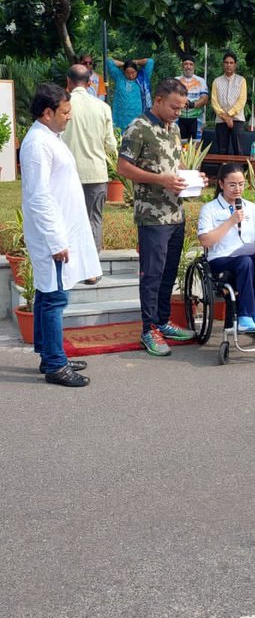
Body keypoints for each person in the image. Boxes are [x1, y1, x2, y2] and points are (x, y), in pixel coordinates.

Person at [19, 83, 101, 387]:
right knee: (54, 298)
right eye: (65, 112)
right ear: (47, 112)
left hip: (59, 233)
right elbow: (38, 197)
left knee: (46, 296)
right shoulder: (37, 144)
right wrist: (56, 240)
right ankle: (55, 364)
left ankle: (49, 354)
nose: (69, 117)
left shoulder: (48, 137)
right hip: (52, 237)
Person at [117, 78, 201, 356]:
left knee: (168, 273)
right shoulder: (139, 128)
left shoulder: (173, 129)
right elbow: (123, 167)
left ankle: (163, 321)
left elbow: (174, 165)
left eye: (182, 107)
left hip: (175, 212)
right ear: (158, 101)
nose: (179, 112)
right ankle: (148, 329)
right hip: (152, 217)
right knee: (151, 275)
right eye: (175, 107)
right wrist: (160, 180)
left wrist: (190, 176)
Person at [198, 162, 255, 333]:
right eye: (232, 184)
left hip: (247, 256)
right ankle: (245, 315)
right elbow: (206, 241)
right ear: (221, 184)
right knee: (245, 262)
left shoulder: (251, 208)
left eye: (241, 184)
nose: (237, 189)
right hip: (220, 258)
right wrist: (231, 221)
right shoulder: (209, 209)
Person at [63, 63, 117, 271]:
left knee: (69, 218)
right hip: (96, 172)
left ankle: (72, 267)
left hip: (68, 173)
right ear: (90, 82)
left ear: (68, 82)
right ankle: (93, 270)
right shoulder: (103, 108)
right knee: (94, 219)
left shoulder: (64, 106)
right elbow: (111, 145)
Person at [211, 50, 247, 155]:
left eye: (231, 63)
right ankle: (222, 171)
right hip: (221, 121)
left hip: (237, 120)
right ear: (223, 64)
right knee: (222, 151)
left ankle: (239, 171)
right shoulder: (216, 81)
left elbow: (241, 101)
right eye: (226, 63)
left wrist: (229, 115)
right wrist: (225, 117)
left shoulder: (241, 80)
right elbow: (214, 101)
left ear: (235, 65)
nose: (229, 65)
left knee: (239, 150)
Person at [107, 56, 155, 131]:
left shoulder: (142, 79)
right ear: (124, 72)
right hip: (120, 120)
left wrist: (134, 62)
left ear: (137, 71)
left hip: (137, 119)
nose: (130, 75)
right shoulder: (119, 77)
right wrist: (125, 64)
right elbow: (109, 62)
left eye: (133, 72)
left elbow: (150, 62)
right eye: (127, 73)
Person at [177, 55, 209, 141]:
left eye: (191, 64)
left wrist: (193, 104)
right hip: (179, 118)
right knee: (180, 146)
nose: (188, 66)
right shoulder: (176, 80)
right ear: (182, 66)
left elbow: (205, 98)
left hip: (196, 118)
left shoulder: (201, 81)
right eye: (186, 64)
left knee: (195, 146)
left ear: (194, 66)